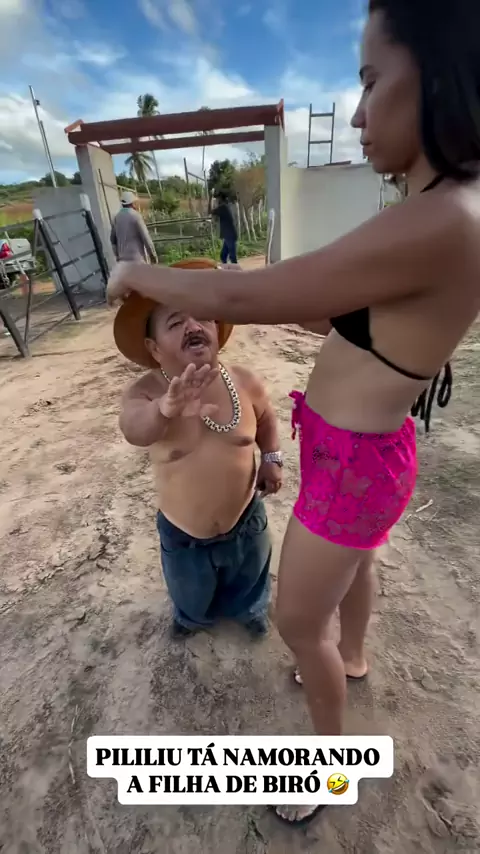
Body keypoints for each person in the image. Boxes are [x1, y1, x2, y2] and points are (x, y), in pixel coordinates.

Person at [106, 0, 480, 826]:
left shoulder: (441, 218)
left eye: (372, 81)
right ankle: (353, 656)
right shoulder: (445, 212)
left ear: (440, 76)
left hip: (354, 466)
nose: (358, 113)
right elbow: (338, 313)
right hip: (368, 454)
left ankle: (323, 774)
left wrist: (140, 277)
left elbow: (253, 295)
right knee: (357, 571)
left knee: (297, 619)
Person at [114, 258, 282, 639]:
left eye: (202, 316)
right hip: (184, 534)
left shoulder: (244, 381)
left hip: (245, 519)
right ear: (154, 348)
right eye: (176, 322)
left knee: (251, 574)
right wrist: (164, 409)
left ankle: (250, 609)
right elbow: (133, 429)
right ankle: (191, 618)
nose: (193, 326)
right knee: (190, 590)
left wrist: (272, 458)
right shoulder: (147, 392)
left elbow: (267, 418)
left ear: (217, 328)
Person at [110, 190, 158, 264]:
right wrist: (153, 255)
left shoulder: (117, 217)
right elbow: (146, 237)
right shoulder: (135, 216)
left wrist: (117, 256)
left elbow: (113, 240)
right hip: (137, 259)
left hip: (123, 261)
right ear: (132, 203)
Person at [211, 192, 238, 264]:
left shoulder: (223, 207)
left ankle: (235, 270)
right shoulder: (225, 206)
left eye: (217, 198)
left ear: (220, 199)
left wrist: (210, 198)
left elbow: (210, 211)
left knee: (232, 258)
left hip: (229, 235)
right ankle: (227, 269)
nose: (217, 200)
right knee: (223, 256)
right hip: (228, 235)